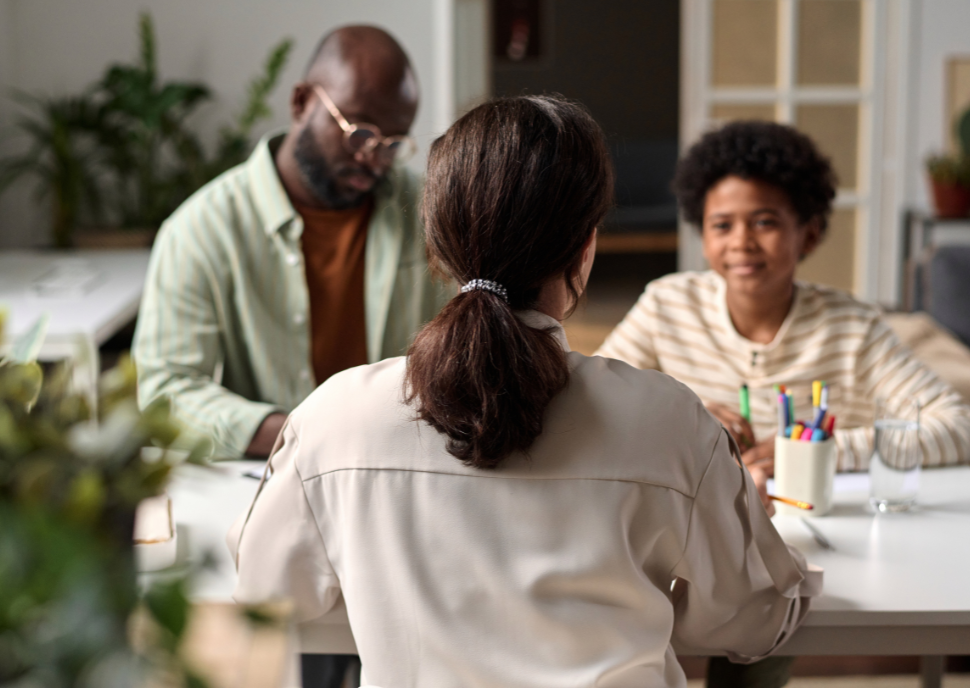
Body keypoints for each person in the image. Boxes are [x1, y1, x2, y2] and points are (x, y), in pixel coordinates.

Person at [229, 96, 821, 688]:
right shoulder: (670, 422)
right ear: (586, 249)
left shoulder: (337, 418)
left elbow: (266, 589)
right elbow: (752, 622)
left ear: (437, 247)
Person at [597, 120, 970, 687]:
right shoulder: (667, 304)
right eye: (722, 225)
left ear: (810, 232)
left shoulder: (851, 326)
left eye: (767, 222)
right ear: (701, 235)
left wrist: (808, 451)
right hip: (683, 535)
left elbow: (962, 428)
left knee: (761, 617)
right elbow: (597, 399)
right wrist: (688, 411)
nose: (742, 243)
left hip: (802, 536)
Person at [133, 26, 451, 460]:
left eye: (392, 144)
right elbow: (164, 393)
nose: (371, 158)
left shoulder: (430, 211)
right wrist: (297, 435)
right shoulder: (200, 229)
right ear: (302, 102)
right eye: (358, 132)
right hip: (272, 477)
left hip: (408, 469)